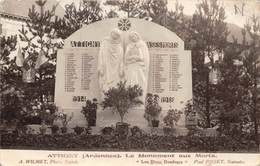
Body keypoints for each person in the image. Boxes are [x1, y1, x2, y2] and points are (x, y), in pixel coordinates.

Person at [124, 31, 150, 103]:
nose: (133, 38)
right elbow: (126, 57)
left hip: (139, 67)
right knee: (131, 81)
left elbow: (144, 57)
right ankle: (131, 97)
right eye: (131, 37)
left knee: (140, 81)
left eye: (134, 36)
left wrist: (137, 58)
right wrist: (131, 58)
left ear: (137, 36)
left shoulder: (142, 45)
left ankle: (139, 97)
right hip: (131, 66)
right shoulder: (129, 46)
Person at [98, 29, 124, 93]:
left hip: (116, 66)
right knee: (106, 81)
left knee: (116, 82)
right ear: (111, 33)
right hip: (106, 65)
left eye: (117, 35)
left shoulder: (119, 44)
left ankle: (114, 93)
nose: (115, 36)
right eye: (114, 33)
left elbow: (121, 57)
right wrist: (100, 66)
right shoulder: (105, 41)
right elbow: (101, 54)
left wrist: (121, 67)